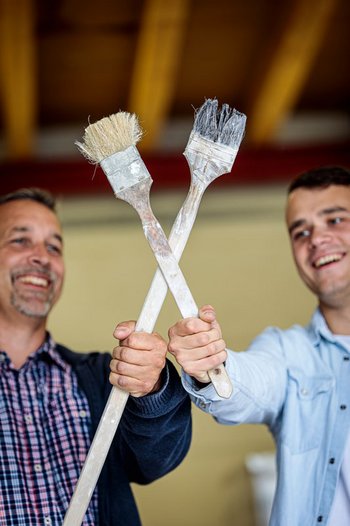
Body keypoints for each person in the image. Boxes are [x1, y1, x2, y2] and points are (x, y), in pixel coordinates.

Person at [167, 165, 350, 526]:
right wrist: (213, 365)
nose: (315, 239)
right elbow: (250, 382)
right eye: (301, 231)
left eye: (335, 220)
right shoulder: (286, 351)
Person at [0, 187, 191, 525]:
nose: (42, 257)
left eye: (54, 246)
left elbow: (155, 462)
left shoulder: (104, 377)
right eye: (20, 240)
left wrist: (150, 390)